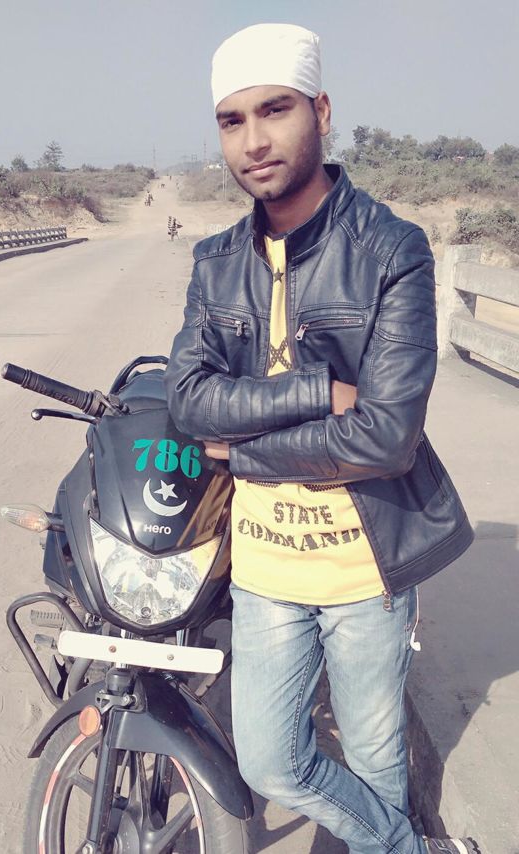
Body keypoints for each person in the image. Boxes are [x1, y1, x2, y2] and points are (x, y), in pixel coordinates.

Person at [164, 23, 479, 854]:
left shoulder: (390, 249)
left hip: (365, 569)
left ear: (322, 112)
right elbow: (190, 402)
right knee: (272, 760)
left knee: (374, 765)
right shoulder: (214, 261)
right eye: (232, 120)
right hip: (265, 566)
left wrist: (244, 450)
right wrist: (315, 391)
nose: (254, 141)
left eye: (275, 110)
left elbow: (386, 438)